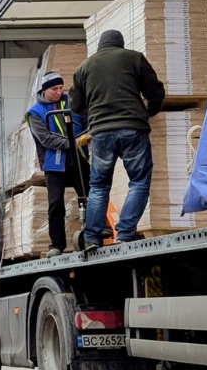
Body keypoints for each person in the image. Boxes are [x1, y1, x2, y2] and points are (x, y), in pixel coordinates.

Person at [69, 29, 166, 251]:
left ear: (100, 45)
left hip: (101, 133)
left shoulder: (84, 67)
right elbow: (155, 90)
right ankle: (125, 232)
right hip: (133, 128)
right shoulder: (134, 58)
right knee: (139, 181)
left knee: (99, 185)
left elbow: (75, 105)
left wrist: (95, 114)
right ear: (120, 44)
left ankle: (92, 237)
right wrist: (150, 110)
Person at [27, 72, 89, 258]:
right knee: (56, 204)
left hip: (78, 158)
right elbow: (45, 139)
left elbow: (87, 121)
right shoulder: (35, 113)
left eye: (61, 88)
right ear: (45, 90)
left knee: (88, 195)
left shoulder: (72, 102)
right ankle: (56, 245)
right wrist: (73, 142)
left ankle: (92, 234)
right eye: (54, 89)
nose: (58, 92)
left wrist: (84, 138)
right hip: (54, 164)